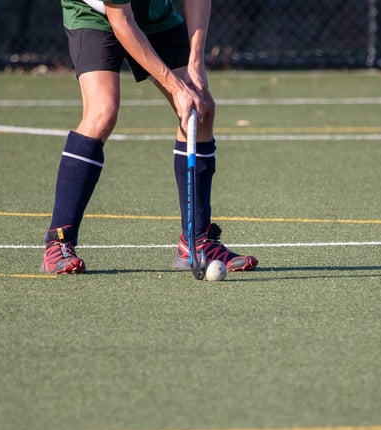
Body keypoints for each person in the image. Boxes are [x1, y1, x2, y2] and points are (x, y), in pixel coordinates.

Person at [41, 0, 258, 274]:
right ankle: (59, 241)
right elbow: (122, 21)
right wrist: (175, 87)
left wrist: (196, 62)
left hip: (154, 15)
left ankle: (196, 241)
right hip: (96, 15)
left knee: (201, 108)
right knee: (102, 113)